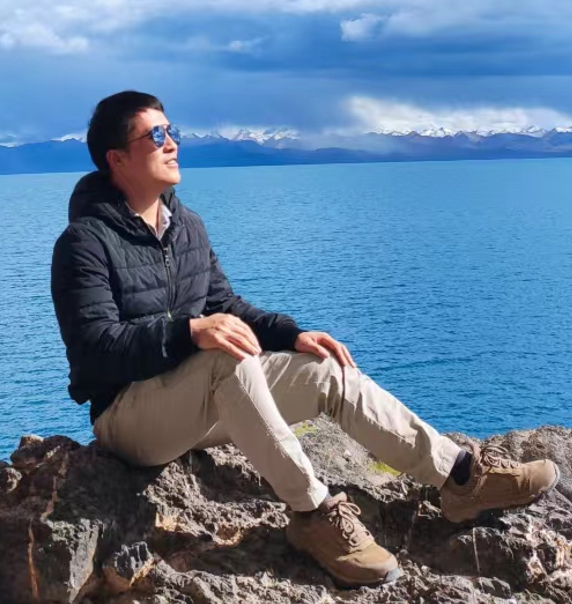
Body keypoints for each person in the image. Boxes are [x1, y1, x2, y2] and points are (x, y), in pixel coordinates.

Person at [51, 91, 560, 588]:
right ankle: (314, 514)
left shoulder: (187, 226)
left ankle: (462, 479)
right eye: (156, 134)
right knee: (226, 360)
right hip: (128, 419)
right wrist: (188, 331)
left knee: (325, 368)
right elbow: (95, 350)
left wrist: (293, 335)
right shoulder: (84, 243)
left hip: (195, 404)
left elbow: (226, 306)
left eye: (172, 130)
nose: (172, 143)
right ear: (117, 158)